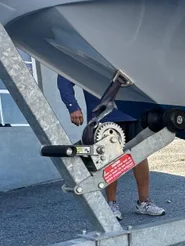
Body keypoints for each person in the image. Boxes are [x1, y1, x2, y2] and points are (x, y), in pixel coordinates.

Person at [57, 74, 165, 220]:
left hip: (133, 113)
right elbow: (64, 78)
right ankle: (111, 203)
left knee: (141, 155)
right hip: (104, 117)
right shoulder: (87, 54)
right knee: (109, 159)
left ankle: (144, 202)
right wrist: (72, 107)